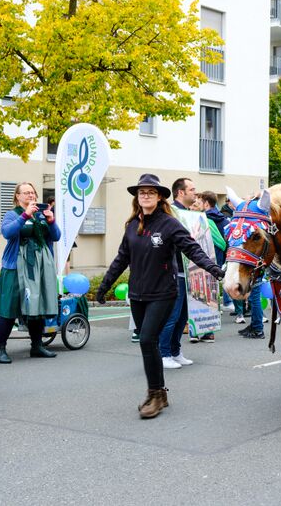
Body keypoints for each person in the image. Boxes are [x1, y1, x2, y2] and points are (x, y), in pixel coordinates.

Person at [95, 174, 224, 419]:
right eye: (141, 192)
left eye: (151, 192)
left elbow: (192, 249)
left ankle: (155, 393)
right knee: (149, 344)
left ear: (160, 197)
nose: (145, 195)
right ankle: (160, 393)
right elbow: (122, 258)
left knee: (146, 340)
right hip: (138, 294)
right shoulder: (132, 225)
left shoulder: (169, 224)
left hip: (163, 293)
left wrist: (214, 270)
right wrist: (104, 286)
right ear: (137, 197)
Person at [0, 182, 60, 363]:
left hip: (39, 266)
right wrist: (25, 215)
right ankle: (0, 348)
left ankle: (37, 346)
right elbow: (7, 232)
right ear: (17, 196)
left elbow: (56, 237)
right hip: (16, 266)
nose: (31, 196)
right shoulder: (12, 214)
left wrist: (51, 221)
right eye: (26, 193)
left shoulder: (41, 214)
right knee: (9, 307)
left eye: (33, 192)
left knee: (37, 305)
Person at [160, 177, 206, 359]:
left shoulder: (188, 213)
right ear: (181, 192)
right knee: (172, 316)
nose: (195, 192)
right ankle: (164, 355)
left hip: (189, 272)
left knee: (182, 317)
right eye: (192, 189)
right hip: (174, 272)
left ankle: (175, 351)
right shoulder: (170, 213)